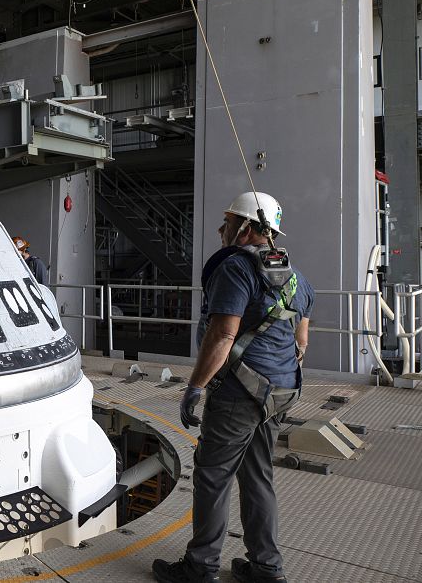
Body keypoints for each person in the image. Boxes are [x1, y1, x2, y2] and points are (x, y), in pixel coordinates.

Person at [153, 192, 313, 583]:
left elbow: (223, 334)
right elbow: (302, 342)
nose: (221, 230)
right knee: (258, 477)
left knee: (213, 477)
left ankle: (200, 567)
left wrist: (195, 386)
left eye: (227, 223)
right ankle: (265, 567)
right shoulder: (296, 277)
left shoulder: (237, 270)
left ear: (246, 229)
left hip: (239, 395)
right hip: (279, 393)